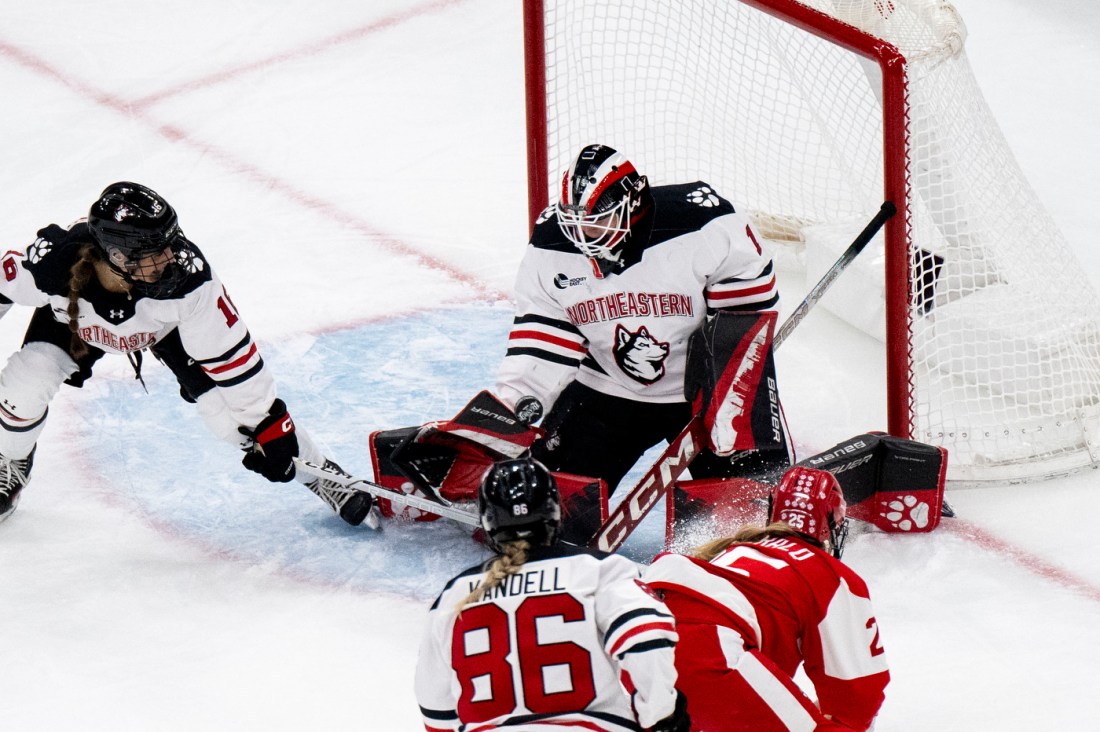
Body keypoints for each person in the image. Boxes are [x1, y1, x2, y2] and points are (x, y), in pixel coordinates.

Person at [0, 181, 376, 527]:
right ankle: (12, 459)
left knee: (229, 420)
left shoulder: (190, 282)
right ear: (117, 255)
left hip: (165, 329)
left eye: (170, 243)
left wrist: (270, 428)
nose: (169, 258)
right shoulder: (52, 262)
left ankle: (324, 475)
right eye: (152, 253)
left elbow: (235, 362)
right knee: (24, 381)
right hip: (76, 322)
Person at [493, 143, 790, 499]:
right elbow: (542, 339)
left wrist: (729, 391)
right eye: (575, 221)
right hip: (606, 390)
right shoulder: (550, 245)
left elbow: (745, 319)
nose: (583, 235)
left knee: (757, 511)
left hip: (701, 393)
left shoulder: (704, 225)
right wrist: (506, 413)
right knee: (544, 505)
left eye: (596, 220)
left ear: (632, 203)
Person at [414, 457, 690, 732]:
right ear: (555, 510)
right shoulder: (600, 570)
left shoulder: (454, 594)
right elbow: (646, 638)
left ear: (488, 520)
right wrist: (661, 714)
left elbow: (436, 711)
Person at [643, 466, 890, 731]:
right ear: (832, 523)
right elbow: (858, 698)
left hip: (637, 645)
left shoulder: (733, 550)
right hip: (709, 651)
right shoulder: (829, 574)